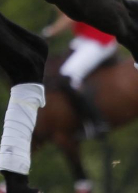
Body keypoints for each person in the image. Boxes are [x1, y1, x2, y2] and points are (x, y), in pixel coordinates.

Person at [41, 10, 117, 138]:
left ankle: (98, 122)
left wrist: (48, 33)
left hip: (99, 39)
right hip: (85, 38)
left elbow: (69, 17)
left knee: (68, 76)